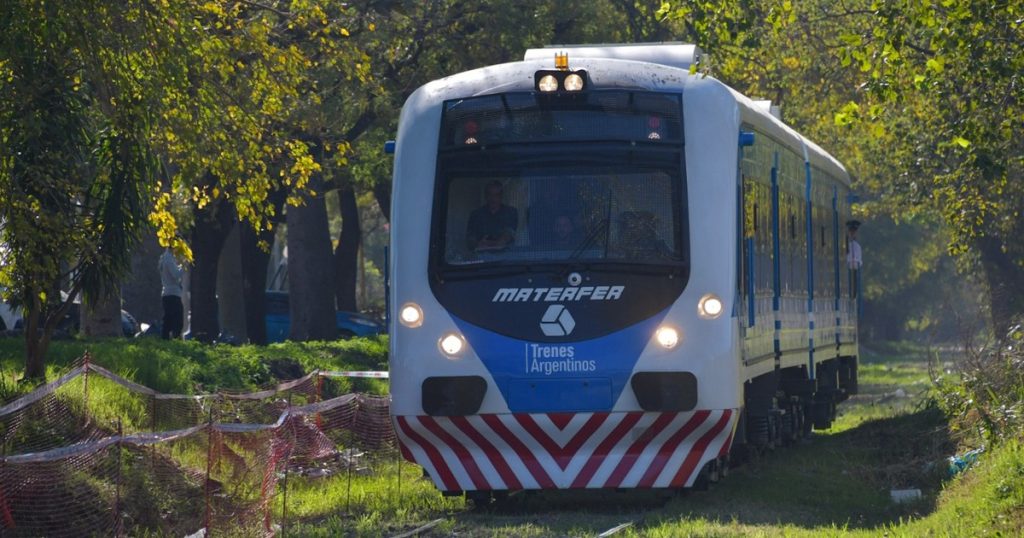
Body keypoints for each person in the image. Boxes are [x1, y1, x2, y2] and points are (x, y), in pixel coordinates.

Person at [466, 180, 518, 251]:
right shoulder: (475, 215)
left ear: (501, 196)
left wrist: (501, 242)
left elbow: (509, 232)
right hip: (481, 257)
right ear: (485, 196)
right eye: (490, 194)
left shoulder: (511, 212)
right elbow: (470, 238)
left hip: (507, 257)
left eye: (497, 195)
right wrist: (477, 244)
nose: (493, 198)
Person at [159, 247, 184, 339]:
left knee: (168, 321)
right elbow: (176, 274)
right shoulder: (168, 258)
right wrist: (184, 265)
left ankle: (165, 340)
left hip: (168, 293)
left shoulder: (165, 257)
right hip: (172, 293)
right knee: (177, 321)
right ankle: (175, 340)